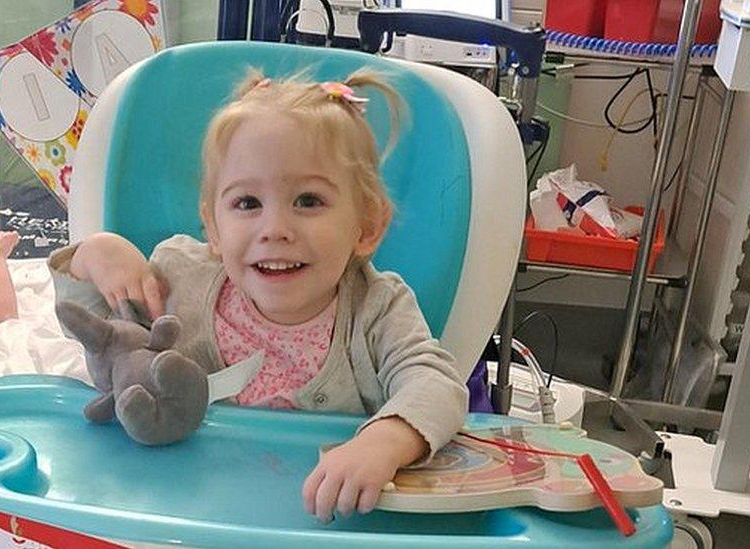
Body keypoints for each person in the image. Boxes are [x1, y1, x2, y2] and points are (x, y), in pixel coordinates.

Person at [49, 69, 467, 522]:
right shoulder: (180, 278)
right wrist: (93, 257)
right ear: (212, 227)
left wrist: (384, 441)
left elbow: (436, 383)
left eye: (308, 201)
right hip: (190, 511)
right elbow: (108, 341)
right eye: (247, 204)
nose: (275, 230)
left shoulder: (377, 307)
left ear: (367, 225)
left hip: (320, 519)